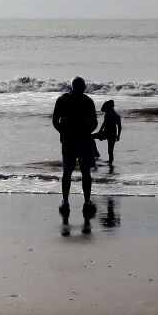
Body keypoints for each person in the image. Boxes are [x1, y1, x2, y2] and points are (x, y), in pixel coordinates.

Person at [52, 76, 99, 214]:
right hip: (83, 140)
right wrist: (87, 132)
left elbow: (55, 120)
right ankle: (86, 201)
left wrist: (63, 132)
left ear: (72, 86)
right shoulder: (87, 101)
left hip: (68, 140)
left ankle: (65, 202)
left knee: (67, 171)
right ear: (83, 87)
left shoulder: (62, 99)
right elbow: (95, 123)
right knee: (85, 172)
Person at [97, 99, 123, 171]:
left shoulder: (108, 114)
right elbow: (119, 127)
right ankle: (111, 165)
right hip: (113, 134)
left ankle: (96, 154)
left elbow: (104, 124)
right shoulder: (116, 115)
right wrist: (118, 135)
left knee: (91, 137)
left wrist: (99, 132)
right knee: (110, 151)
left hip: (107, 133)